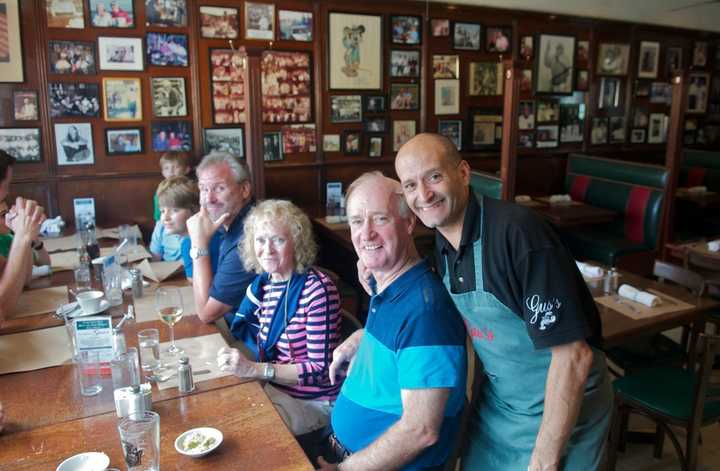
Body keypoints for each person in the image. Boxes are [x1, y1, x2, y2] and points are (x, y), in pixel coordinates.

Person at [393, 134, 612, 471]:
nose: (423, 195)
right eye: (410, 185)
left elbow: (574, 357)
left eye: (434, 176)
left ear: (463, 173)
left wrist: (544, 460)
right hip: (503, 406)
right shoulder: (442, 243)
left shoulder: (518, 234)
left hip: (566, 409)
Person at [317, 172, 467, 470]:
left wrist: (344, 469)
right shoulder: (386, 283)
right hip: (340, 449)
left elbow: (420, 431)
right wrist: (362, 339)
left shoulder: (426, 312)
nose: (366, 234)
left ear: (409, 222)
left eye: (380, 219)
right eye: (357, 222)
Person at [218, 199, 342, 438]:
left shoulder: (317, 290)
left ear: (297, 243)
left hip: (314, 400)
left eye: (278, 240)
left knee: (246, 437)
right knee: (224, 414)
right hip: (279, 389)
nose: (268, 249)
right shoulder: (266, 285)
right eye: (260, 240)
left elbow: (320, 369)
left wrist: (254, 369)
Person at [186, 152, 255, 327]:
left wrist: (198, 244)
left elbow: (206, 314)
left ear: (244, 190)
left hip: (251, 343)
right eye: (204, 189)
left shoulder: (250, 238)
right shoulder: (224, 224)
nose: (209, 199)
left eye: (219, 188)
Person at [150, 176, 197, 264]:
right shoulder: (161, 227)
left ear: (193, 210)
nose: (165, 218)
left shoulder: (201, 236)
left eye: (175, 210)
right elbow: (154, 262)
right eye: (162, 211)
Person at [153, 152, 190, 221]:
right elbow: (157, 214)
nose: (171, 171)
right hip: (166, 223)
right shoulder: (161, 189)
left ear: (186, 169)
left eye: (176, 167)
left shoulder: (190, 188)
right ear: (163, 172)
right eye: (166, 168)